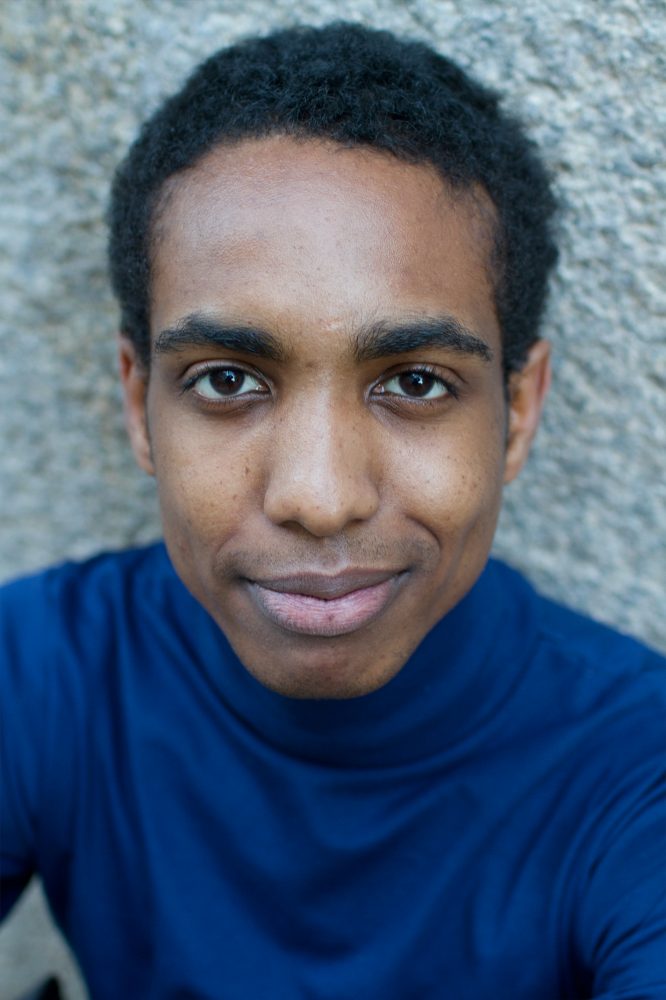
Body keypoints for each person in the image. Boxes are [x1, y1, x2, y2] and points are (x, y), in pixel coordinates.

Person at [1, 21, 664, 999]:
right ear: (139, 406)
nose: (317, 497)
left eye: (416, 382)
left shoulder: (638, 770)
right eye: (227, 379)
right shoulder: (41, 677)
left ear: (518, 413)